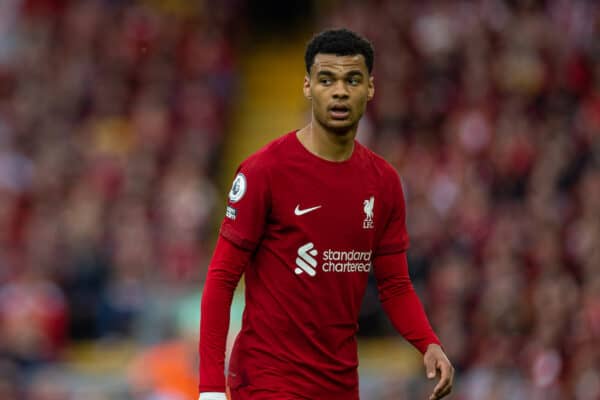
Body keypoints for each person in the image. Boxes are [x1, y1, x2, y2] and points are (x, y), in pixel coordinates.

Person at [199, 28, 454, 400]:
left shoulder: (383, 182)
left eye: (352, 80)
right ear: (307, 87)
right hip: (268, 380)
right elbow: (222, 279)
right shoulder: (265, 172)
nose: (339, 91)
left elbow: (394, 284)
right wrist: (209, 389)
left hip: (339, 384)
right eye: (326, 79)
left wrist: (428, 342)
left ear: (370, 88)